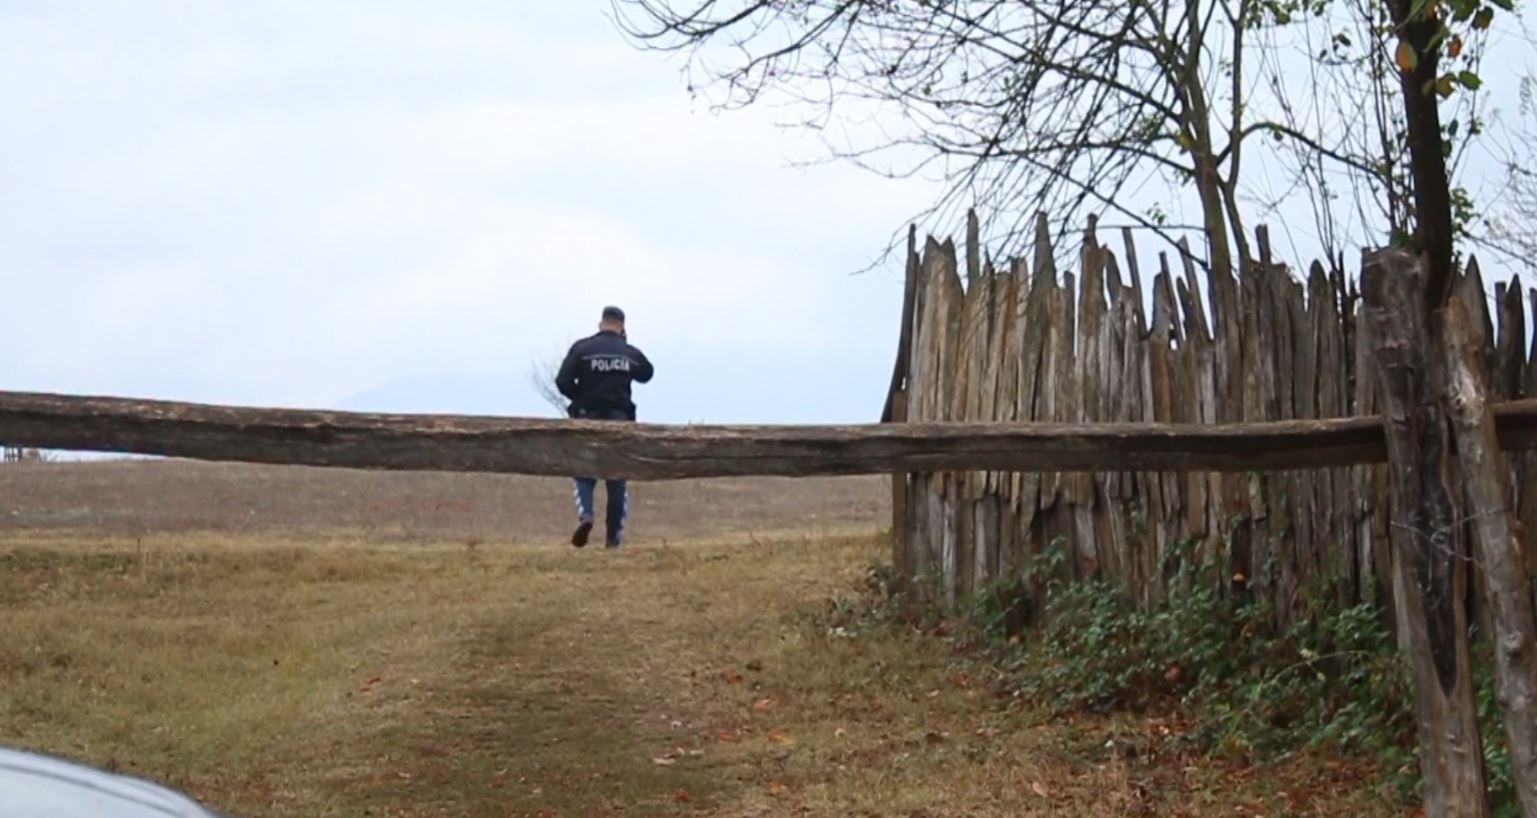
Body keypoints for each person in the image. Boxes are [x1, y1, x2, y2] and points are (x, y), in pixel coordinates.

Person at [555, 306, 654, 549]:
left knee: (584, 471)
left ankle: (586, 515)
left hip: (586, 418)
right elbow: (647, 374)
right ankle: (612, 539)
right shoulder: (629, 352)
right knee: (617, 478)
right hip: (620, 420)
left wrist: (581, 397)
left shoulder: (582, 348)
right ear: (621, 325)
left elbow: (562, 381)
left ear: (601, 324)